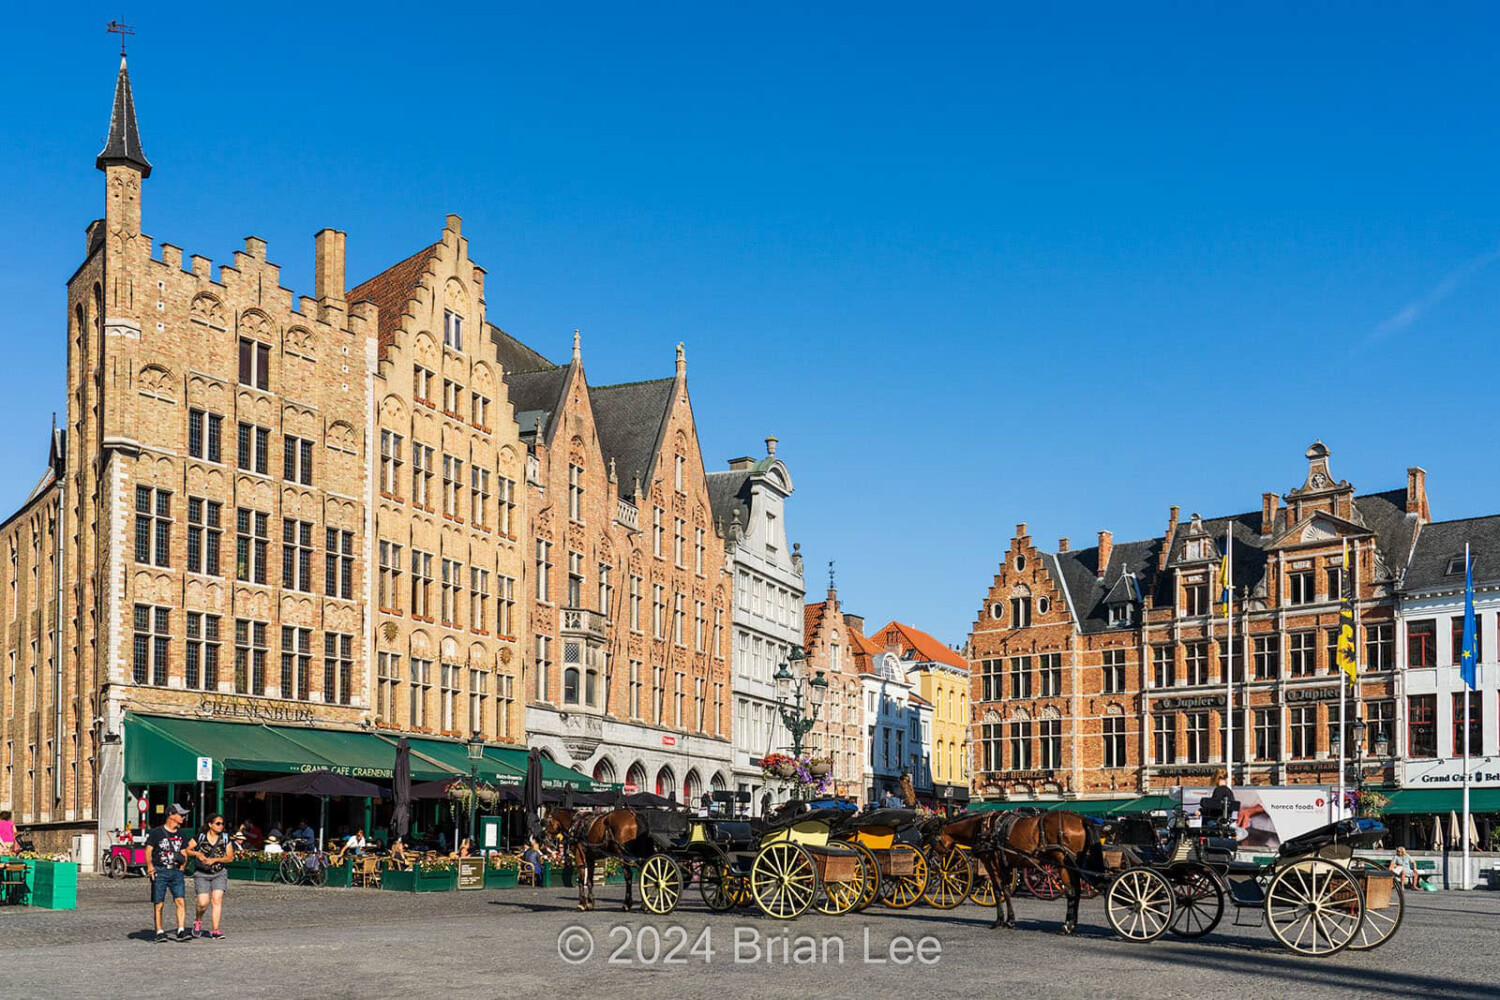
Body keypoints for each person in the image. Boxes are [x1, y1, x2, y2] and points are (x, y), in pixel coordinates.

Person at [145, 804, 193, 943]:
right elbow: (148, 851)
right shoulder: (157, 833)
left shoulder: (181, 834)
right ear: (171, 815)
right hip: (160, 870)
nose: (183, 817)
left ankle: (181, 930)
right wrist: (150, 866)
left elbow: (184, 852)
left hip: (176, 871)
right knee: (158, 903)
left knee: (180, 900)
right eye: (181, 814)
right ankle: (159, 931)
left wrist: (183, 868)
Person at [186, 813, 233, 940]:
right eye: (218, 823)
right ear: (210, 825)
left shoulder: (225, 838)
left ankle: (215, 930)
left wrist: (215, 860)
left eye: (222, 824)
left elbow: (230, 857)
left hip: (219, 873)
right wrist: (197, 854)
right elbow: (186, 849)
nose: (221, 826)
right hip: (201, 874)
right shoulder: (201, 837)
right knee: (203, 902)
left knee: (217, 900)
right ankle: (198, 921)